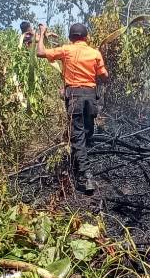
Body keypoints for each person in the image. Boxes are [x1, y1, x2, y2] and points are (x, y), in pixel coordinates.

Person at [37, 22, 108, 193]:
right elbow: (104, 75)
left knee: (79, 135)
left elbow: (40, 52)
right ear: (86, 37)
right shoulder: (95, 53)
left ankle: (84, 172)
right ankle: (83, 170)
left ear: (70, 38)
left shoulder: (66, 50)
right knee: (86, 133)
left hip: (74, 96)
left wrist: (42, 33)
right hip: (90, 97)